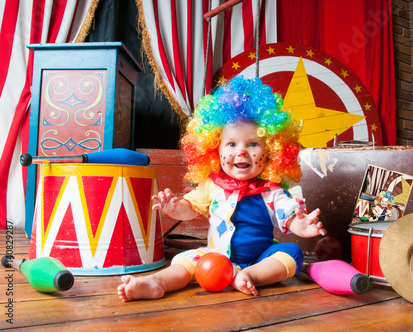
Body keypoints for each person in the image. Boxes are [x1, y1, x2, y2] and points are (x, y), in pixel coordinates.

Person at [117, 76, 326, 302]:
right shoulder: (212, 184)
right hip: (215, 258)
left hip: (259, 260)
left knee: (291, 254)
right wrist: (174, 208)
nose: (242, 152)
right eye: (232, 144)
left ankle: (248, 276)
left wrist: (302, 226)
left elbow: (289, 215)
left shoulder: (271, 191)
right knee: (186, 261)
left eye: (253, 144)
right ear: (214, 149)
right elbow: (190, 209)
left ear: (272, 153)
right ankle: (156, 282)